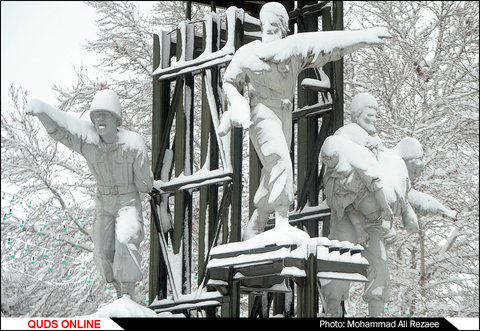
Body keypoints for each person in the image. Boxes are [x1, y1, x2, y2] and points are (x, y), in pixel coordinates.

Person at [217, 2, 391, 240]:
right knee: (279, 160)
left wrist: (361, 38)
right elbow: (228, 82)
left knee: (275, 166)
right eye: (265, 21)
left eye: (275, 22)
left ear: (282, 25)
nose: (269, 26)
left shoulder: (292, 48)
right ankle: (281, 219)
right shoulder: (247, 54)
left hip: (284, 113)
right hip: (261, 112)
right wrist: (237, 104)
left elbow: (327, 44)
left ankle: (257, 222)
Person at [26, 89, 153, 300]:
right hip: (104, 201)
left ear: (116, 118)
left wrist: (147, 182)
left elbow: (145, 183)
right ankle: (116, 290)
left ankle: (127, 292)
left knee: (125, 239)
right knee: (101, 249)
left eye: (105, 114)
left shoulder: (132, 143)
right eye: (96, 115)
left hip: (127, 200)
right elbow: (63, 130)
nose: (100, 119)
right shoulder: (89, 140)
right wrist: (42, 112)